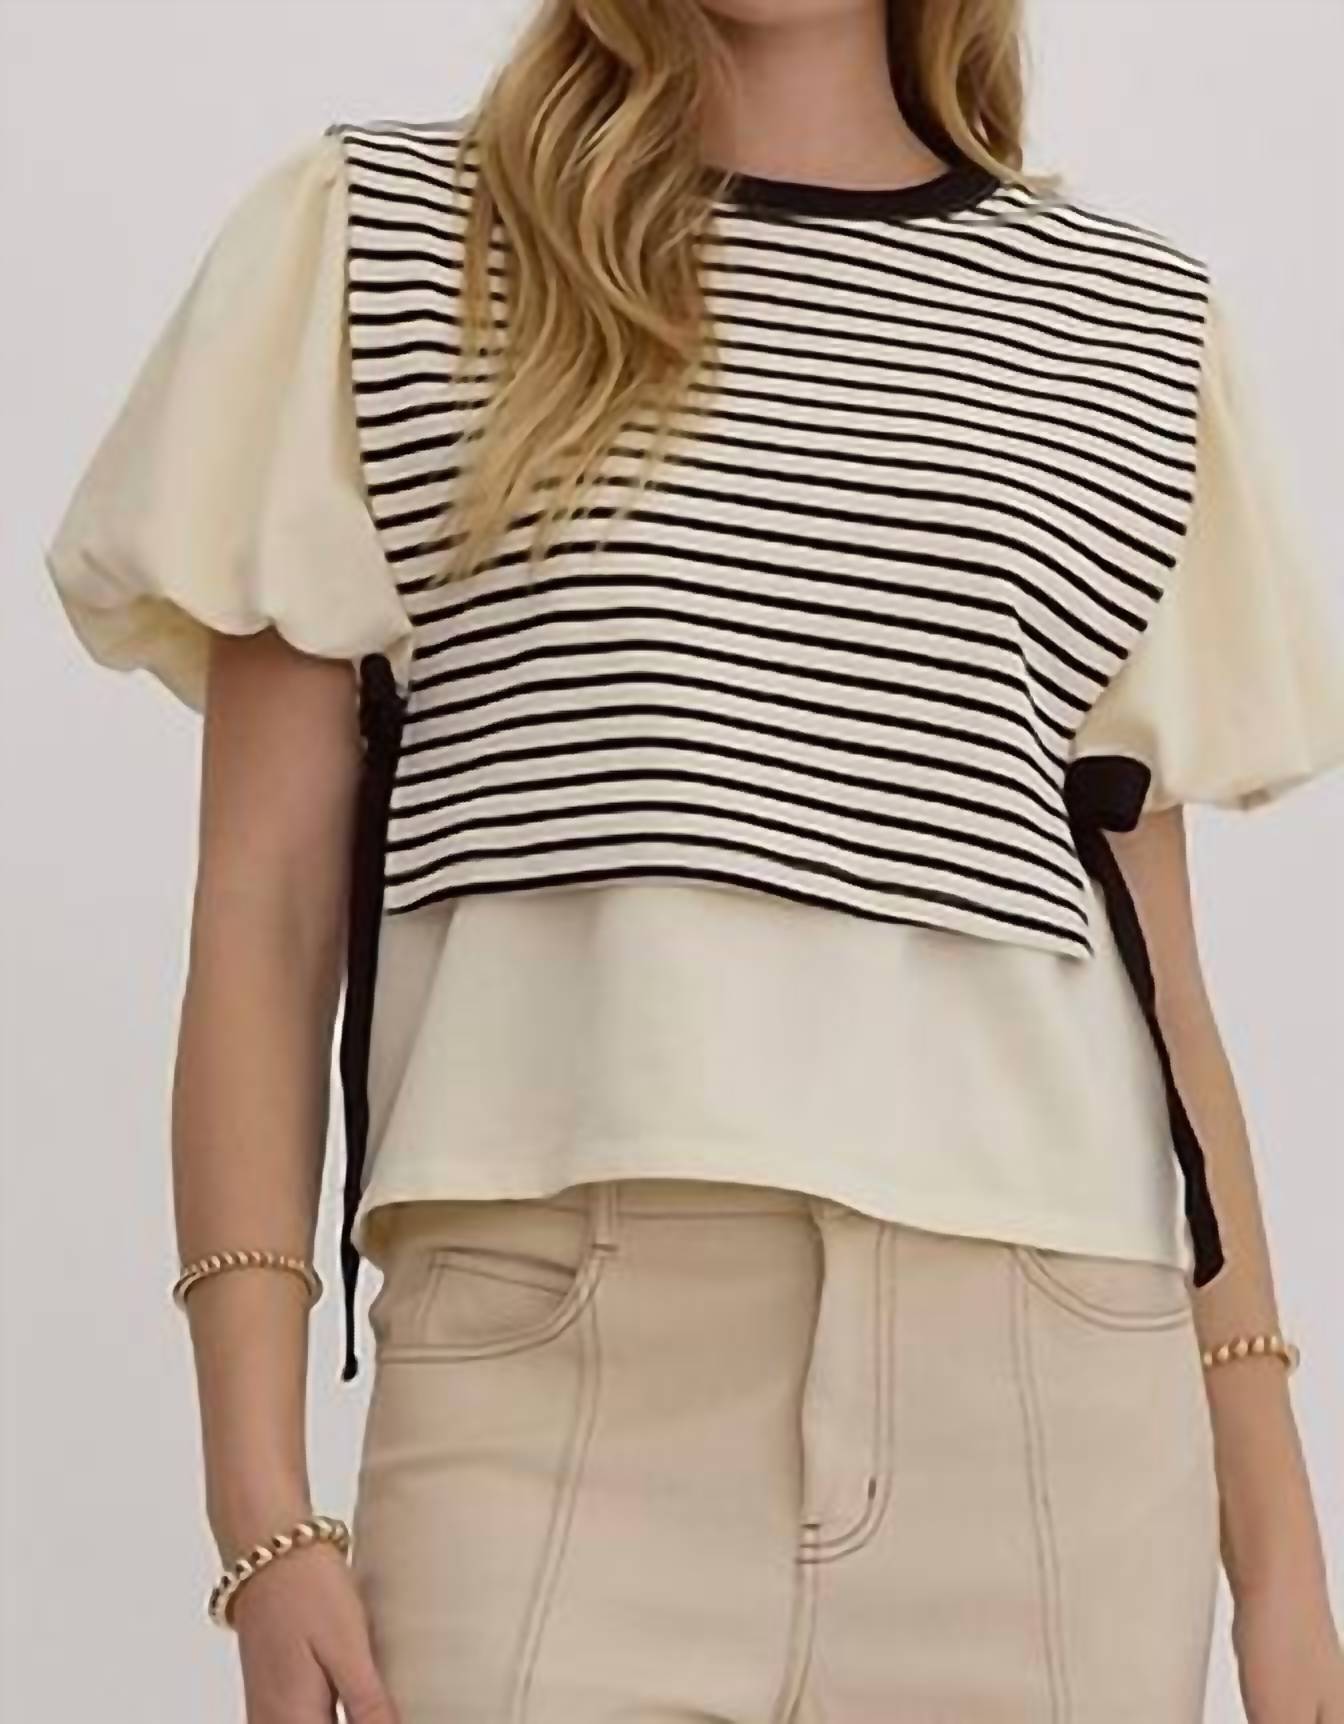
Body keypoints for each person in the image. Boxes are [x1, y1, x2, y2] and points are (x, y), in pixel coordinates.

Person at [42, 1, 1344, 1719]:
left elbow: (1163, 993)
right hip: (549, 1380)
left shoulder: (1125, 324)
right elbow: (266, 917)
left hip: (1050, 1409)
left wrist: (1282, 1562)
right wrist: (260, 1509)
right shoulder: (382, 246)